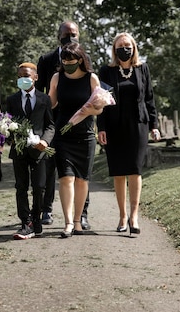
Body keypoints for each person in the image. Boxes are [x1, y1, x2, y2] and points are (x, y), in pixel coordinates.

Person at [97, 32, 160, 236]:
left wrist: (154, 124)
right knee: (118, 171)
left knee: (134, 170)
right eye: (120, 45)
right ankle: (122, 216)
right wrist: (102, 127)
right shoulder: (106, 71)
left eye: (128, 45)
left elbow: (149, 98)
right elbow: (100, 101)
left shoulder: (142, 69)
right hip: (114, 126)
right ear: (115, 50)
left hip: (138, 125)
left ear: (134, 48)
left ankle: (134, 215)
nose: (125, 48)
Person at [36, 20, 92, 230]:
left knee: (81, 176)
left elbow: (92, 91)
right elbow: (41, 94)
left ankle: (82, 214)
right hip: (54, 124)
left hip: (81, 123)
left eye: (74, 34)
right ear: (58, 36)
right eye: (67, 34)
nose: (70, 38)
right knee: (51, 169)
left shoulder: (84, 58)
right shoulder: (47, 60)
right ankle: (46, 209)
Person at [48, 42, 102, 238]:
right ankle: (68, 222)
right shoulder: (57, 77)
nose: (67, 63)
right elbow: (51, 103)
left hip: (86, 135)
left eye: (70, 60)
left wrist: (91, 110)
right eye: (64, 60)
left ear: (80, 60)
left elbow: (100, 108)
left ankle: (78, 221)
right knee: (66, 178)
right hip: (62, 135)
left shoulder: (91, 78)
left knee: (81, 180)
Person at [6, 63, 55, 240]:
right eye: (19, 76)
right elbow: (7, 123)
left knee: (39, 187)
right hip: (19, 151)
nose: (23, 79)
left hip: (39, 151)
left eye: (26, 76)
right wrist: (10, 137)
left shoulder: (44, 99)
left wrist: (45, 141)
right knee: (21, 186)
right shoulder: (12, 100)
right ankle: (25, 222)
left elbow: (50, 124)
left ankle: (37, 218)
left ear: (35, 77)